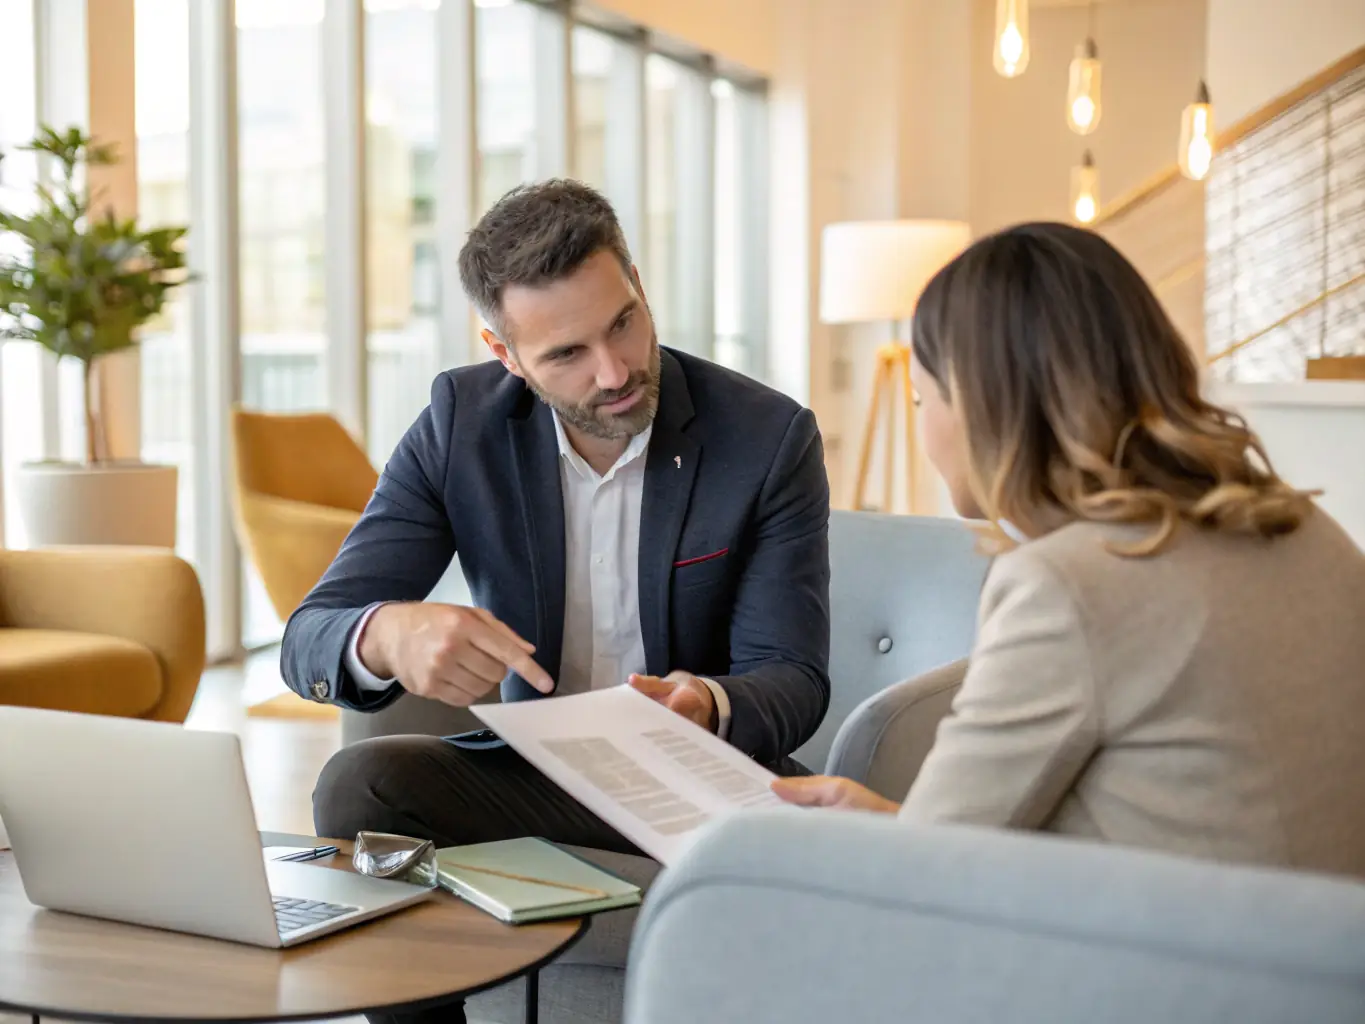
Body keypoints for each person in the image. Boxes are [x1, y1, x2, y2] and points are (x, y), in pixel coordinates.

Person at [282, 179, 830, 889]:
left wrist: (707, 702)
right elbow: (309, 635)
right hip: (537, 776)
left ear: (635, 282)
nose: (615, 371)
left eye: (623, 324)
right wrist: (385, 635)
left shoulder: (765, 436)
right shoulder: (460, 425)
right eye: (567, 354)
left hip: (707, 782)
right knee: (361, 782)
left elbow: (793, 676)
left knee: (811, 850)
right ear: (504, 353)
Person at [775, 221, 1365, 880]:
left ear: (978, 406)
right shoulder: (1303, 525)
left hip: (1181, 969)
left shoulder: (1068, 584)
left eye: (921, 398)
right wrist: (892, 824)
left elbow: (928, 877)